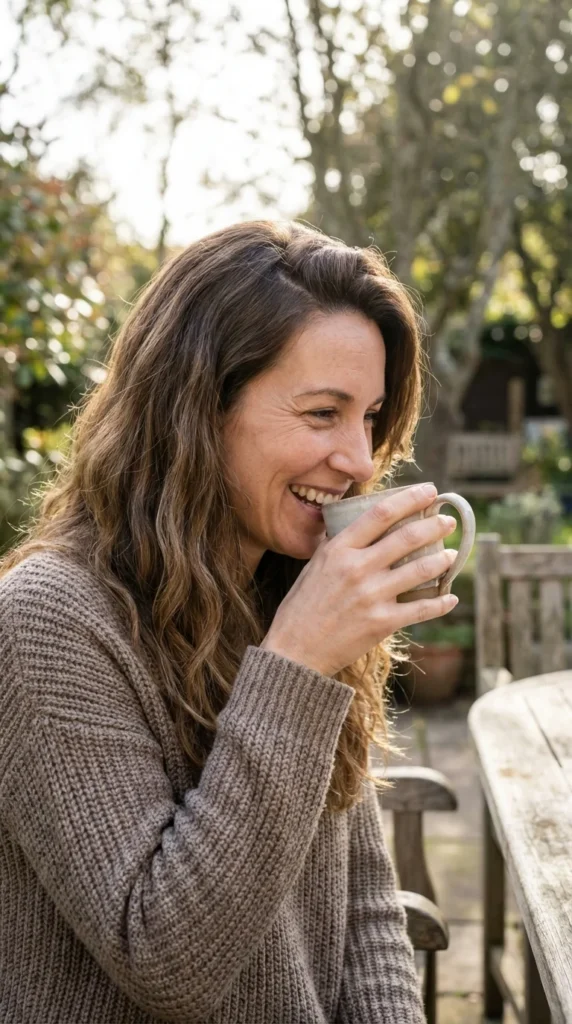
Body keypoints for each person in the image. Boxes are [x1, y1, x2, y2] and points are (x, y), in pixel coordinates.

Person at [0, 220, 458, 1023]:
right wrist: (297, 664)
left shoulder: (286, 595)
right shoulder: (47, 623)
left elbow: (367, 912)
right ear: (195, 410)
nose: (359, 458)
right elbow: (167, 961)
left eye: (371, 418)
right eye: (323, 413)